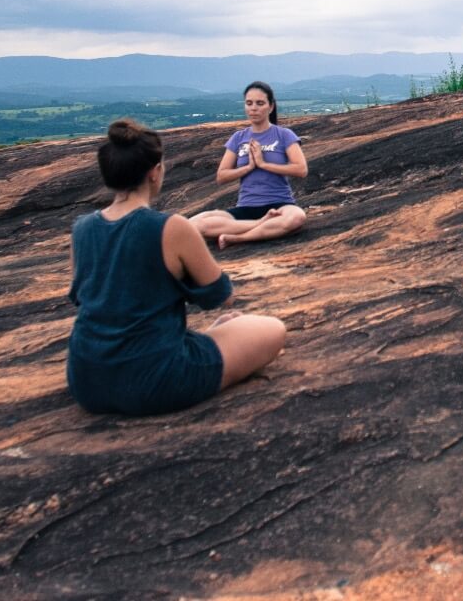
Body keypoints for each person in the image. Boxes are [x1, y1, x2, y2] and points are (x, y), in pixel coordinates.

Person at [67, 119, 285, 415]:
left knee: (218, 331)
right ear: (155, 173)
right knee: (272, 330)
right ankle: (204, 345)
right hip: (156, 380)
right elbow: (221, 297)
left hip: (86, 380)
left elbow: (84, 297)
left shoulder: (82, 228)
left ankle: (201, 340)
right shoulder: (171, 227)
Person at [190, 81, 308, 248]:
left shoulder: (284, 135)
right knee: (194, 223)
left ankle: (237, 238)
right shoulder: (238, 138)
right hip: (246, 207)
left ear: (271, 106)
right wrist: (248, 168)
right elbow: (221, 176)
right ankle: (262, 224)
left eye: (260, 103)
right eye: (249, 103)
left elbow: (301, 169)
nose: (253, 108)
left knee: (297, 217)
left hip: (280, 204)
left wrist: (263, 164)